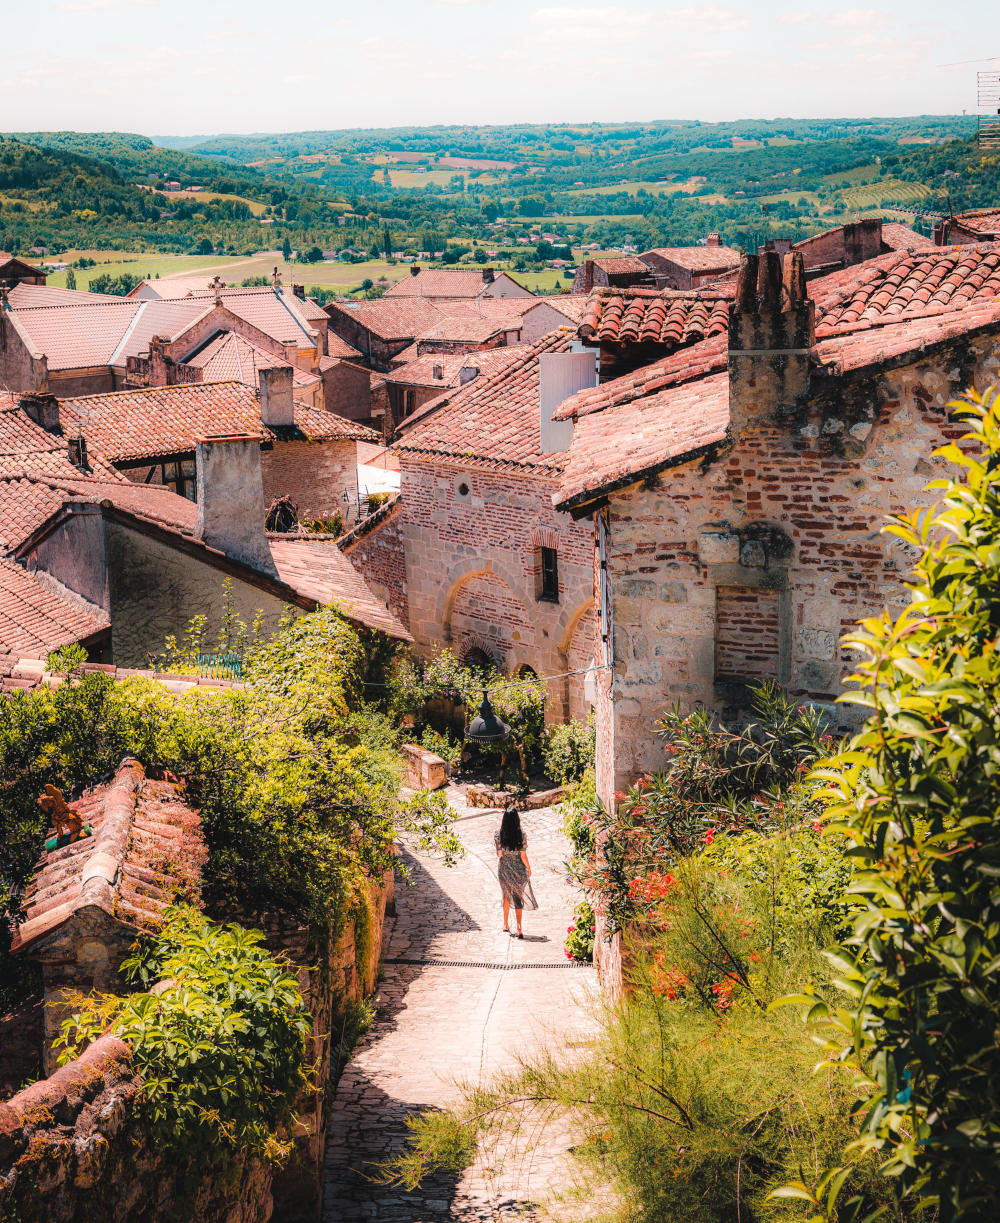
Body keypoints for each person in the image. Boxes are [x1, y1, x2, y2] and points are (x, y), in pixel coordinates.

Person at [494, 806, 537, 937]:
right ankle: (519, 928)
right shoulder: (522, 835)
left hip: (504, 869)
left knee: (506, 896)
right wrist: (529, 868)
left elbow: (499, 854)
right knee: (518, 898)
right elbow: (523, 856)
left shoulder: (498, 834)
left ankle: (506, 924)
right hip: (519, 870)